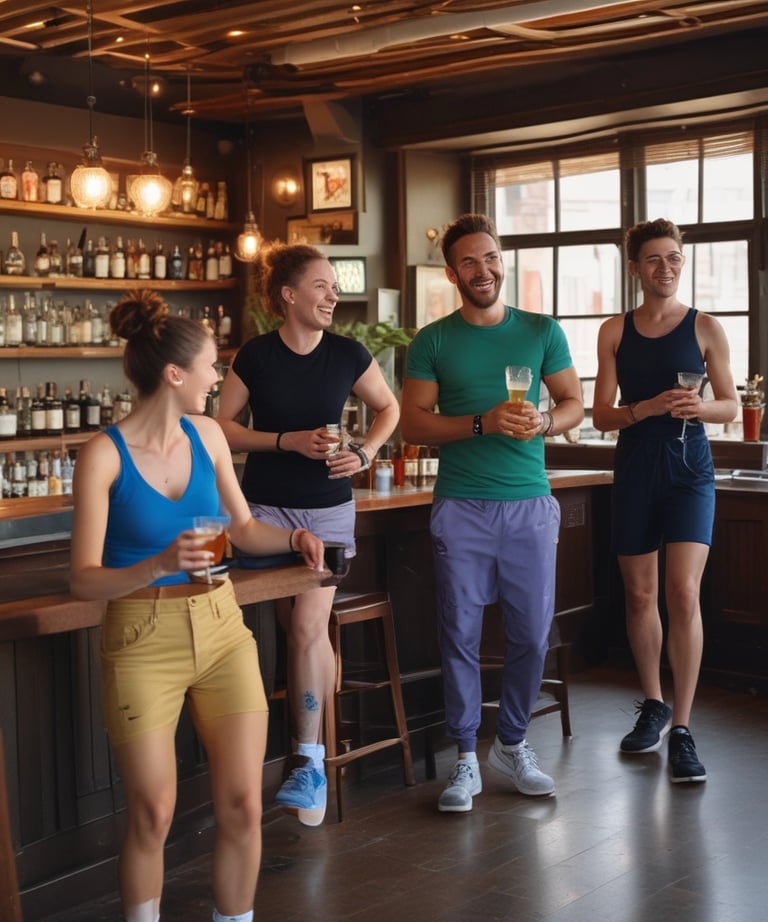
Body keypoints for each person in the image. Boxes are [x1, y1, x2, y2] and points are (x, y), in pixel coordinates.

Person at [69, 289, 325, 922]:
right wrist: (157, 565)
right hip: (139, 640)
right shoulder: (103, 455)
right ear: (174, 373)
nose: (219, 377)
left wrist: (292, 536)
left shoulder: (208, 433)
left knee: (242, 802)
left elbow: (241, 530)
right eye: (212, 366)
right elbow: (83, 580)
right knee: (152, 812)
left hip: (220, 628)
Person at [400, 213, 584, 813]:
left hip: (529, 503)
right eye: (471, 263)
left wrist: (547, 421)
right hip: (461, 507)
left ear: (503, 261)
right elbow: (414, 424)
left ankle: (511, 743)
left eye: (492, 258)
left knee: (532, 634)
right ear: (453, 273)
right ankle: (463, 757)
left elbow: (572, 402)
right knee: (461, 633)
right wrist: (481, 421)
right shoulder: (433, 340)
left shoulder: (541, 329)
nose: (484, 270)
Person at [217, 243, 399, 826]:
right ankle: (310, 739)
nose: (332, 295)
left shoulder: (347, 353)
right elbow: (220, 428)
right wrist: (283, 441)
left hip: (328, 511)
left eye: (333, 286)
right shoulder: (257, 356)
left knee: (304, 628)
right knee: (292, 635)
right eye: (320, 285)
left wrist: (365, 452)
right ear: (288, 295)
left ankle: (309, 762)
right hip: (263, 514)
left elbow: (388, 409)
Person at [592, 218, 737, 782]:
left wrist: (698, 408)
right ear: (636, 268)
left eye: (674, 257)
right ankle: (652, 702)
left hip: (690, 468)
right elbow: (602, 415)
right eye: (654, 259)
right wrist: (645, 408)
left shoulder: (705, 327)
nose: (666, 267)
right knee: (639, 594)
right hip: (634, 465)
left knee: (682, 591)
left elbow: (729, 405)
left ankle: (681, 727)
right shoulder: (613, 330)